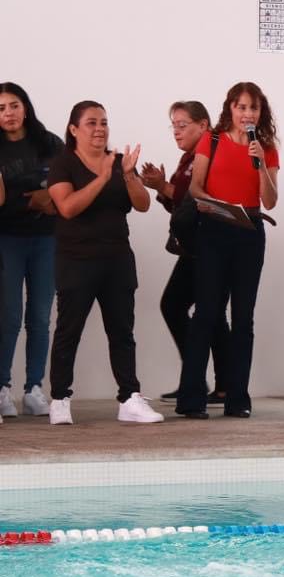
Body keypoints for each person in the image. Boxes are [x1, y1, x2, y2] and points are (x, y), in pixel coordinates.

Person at [44, 101, 162, 424]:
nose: (100, 129)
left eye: (104, 122)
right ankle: (60, 399)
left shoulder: (120, 163)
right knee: (69, 331)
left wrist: (127, 177)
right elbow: (67, 207)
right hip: (76, 261)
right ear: (73, 130)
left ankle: (129, 399)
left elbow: (142, 205)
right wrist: (102, 177)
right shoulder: (62, 164)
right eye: (92, 123)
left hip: (117, 260)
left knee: (122, 332)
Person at [178, 82, 280, 420]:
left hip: (249, 233)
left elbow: (270, 200)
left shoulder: (265, 148)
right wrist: (210, 204)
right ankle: (192, 398)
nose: (247, 114)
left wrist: (261, 165)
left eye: (253, 108)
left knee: (243, 319)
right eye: (241, 107)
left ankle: (238, 398)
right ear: (230, 109)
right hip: (214, 230)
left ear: (260, 112)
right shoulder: (213, 140)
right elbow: (195, 186)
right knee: (206, 313)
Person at [142, 101, 228, 406]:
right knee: (193, 309)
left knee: (207, 312)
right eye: (173, 125)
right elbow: (181, 205)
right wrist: (161, 187)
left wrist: (162, 186)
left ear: (203, 125)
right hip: (194, 246)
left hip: (212, 245)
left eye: (183, 125)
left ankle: (213, 383)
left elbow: (199, 195)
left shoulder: (213, 152)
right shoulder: (188, 158)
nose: (176, 131)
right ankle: (201, 380)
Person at [0, 82, 61, 420]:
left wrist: (49, 200)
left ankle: (34, 389)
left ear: (25, 107)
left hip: (46, 239)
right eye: (1, 108)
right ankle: (2, 388)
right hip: (6, 239)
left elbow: (69, 179)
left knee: (39, 316)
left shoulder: (48, 142)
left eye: (14, 105)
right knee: (7, 317)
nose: (8, 113)